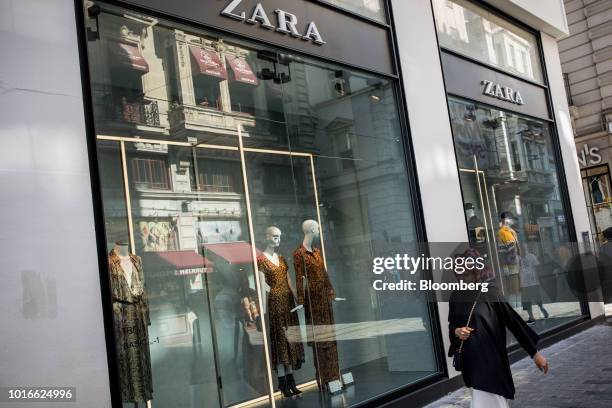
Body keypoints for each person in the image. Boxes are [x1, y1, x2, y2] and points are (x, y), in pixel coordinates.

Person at [448, 252, 549, 407]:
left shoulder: (491, 293)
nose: (462, 278)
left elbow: (514, 323)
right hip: (470, 363)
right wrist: (456, 332)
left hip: (491, 362)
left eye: (466, 274)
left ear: (476, 271)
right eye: (458, 274)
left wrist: (535, 354)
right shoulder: (456, 296)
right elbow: (452, 325)